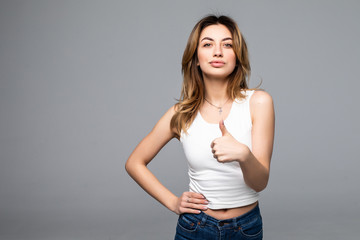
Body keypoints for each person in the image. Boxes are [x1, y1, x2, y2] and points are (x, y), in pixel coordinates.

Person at [125, 15, 275, 240]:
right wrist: (173, 202)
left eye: (227, 44)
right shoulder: (181, 114)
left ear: (237, 57)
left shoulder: (259, 102)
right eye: (207, 44)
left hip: (245, 228)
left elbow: (260, 183)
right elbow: (134, 163)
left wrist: (243, 154)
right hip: (196, 226)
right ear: (195, 58)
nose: (218, 52)